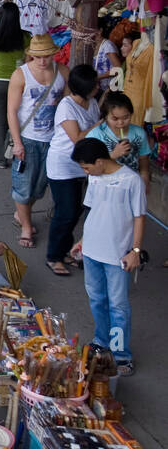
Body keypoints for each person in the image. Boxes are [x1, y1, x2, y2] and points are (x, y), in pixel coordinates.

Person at [71, 138, 146, 376]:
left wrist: (135, 251)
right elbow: (93, 210)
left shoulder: (131, 180)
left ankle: (121, 354)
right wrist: (82, 241)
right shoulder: (95, 176)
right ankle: (101, 341)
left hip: (116, 255)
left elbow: (139, 217)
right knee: (97, 299)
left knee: (118, 305)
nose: (86, 171)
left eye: (87, 167)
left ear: (100, 161)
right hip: (92, 251)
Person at [6, 33, 68, 250]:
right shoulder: (20, 75)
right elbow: (12, 111)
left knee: (39, 187)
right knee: (23, 186)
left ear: (53, 54)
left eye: (47, 56)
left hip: (53, 140)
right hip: (28, 138)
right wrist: (17, 142)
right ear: (30, 55)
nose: (43, 61)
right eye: (38, 57)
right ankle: (25, 226)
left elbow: (67, 106)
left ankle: (22, 214)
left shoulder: (63, 72)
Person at [44, 64, 100, 276]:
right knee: (65, 212)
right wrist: (102, 124)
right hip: (62, 166)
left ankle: (64, 251)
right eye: (94, 84)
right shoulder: (67, 106)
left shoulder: (92, 102)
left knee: (75, 210)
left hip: (81, 167)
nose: (98, 87)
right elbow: (77, 138)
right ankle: (53, 256)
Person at [0, 2, 28, 168]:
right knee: (18, 118)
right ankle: (18, 152)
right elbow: (29, 60)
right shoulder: (26, 37)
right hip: (19, 82)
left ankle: (0, 159)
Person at [88, 91, 152, 191]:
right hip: (104, 188)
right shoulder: (96, 135)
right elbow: (89, 165)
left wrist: (144, 175)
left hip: (131, 185)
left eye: (126, 117)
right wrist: (113, 154)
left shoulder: (139, 133)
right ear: (106, 117)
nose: (121, 122)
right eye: (115, 118)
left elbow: (143, 158)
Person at [121, 28, 154, 125]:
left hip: (139, 94)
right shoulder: (136, 43)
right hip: (127, 91)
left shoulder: (151, 50)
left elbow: (150, 76)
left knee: (135, 124)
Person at [93, 14, 122, 96]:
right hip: (99, 89)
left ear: (100, 31)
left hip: (109, 90)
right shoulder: (93, 45)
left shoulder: (107, 46)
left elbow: (118, 69)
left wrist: (98, 77)